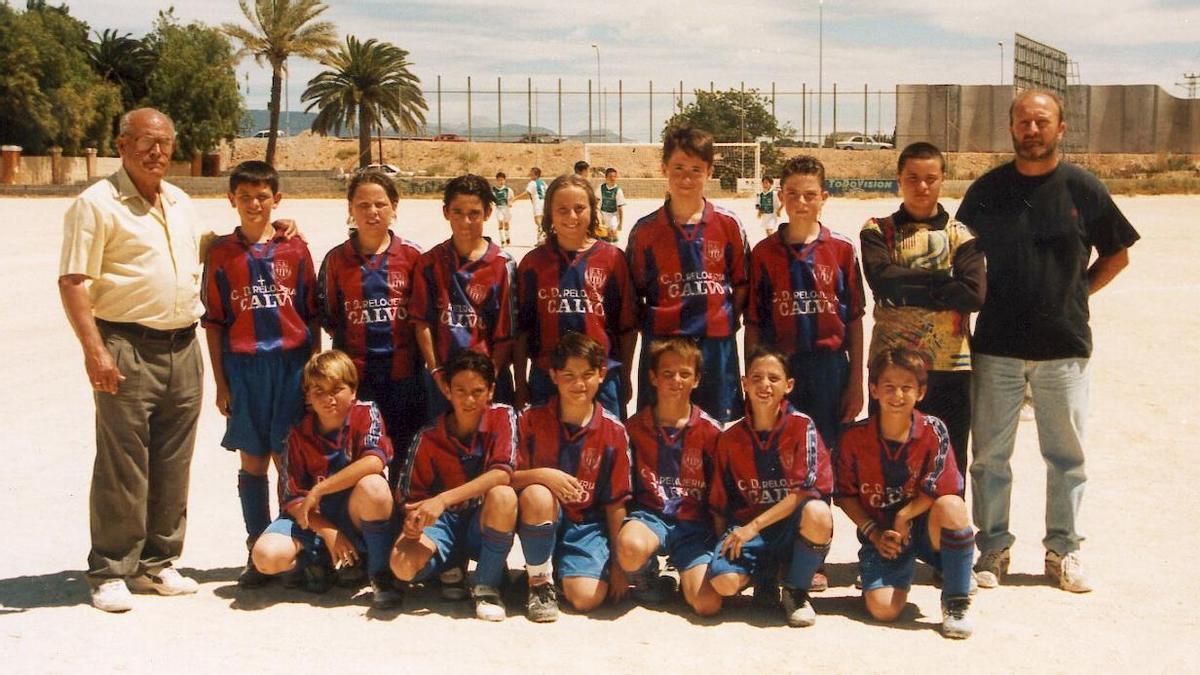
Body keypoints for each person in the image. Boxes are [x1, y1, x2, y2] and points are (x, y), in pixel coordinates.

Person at [58, 108, 252, 612]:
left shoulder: (180, 201)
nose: (157, 152)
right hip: (125, 344)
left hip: (182, 346)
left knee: (172, 459)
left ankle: (158, 561)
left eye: (164, 143)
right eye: (146, 142)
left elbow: (210, 250)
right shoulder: (96, 204)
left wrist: (268, 228)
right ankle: (110, 569)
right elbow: (74, 281)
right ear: (121, 145)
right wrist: (94, 351)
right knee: (123, 463)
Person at [957, 89, 1139, 593]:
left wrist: (1076, 294)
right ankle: (992, 549)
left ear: (1061, 128)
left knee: (1067, 457)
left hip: (1064, 346)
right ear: (1011, 128)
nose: (1031, 130)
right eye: (1023, 122)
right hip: (997, 345)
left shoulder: (1083, 187)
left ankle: (1064, 551)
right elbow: (960, 254)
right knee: (990, 456)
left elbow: (1117, 254)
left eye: (1042, 122)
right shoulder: (987, 190)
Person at [200, 160, 320, 588]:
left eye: (263, 197)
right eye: (245, 197)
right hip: (245, 368)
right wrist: (221, 382)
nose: (254, 204)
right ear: (231, 199)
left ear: (277, 200)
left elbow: (311, 314)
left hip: (290, 367)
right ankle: (256, 546)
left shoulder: (296, 248)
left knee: (291, 461)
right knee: (252, 461)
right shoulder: (220, 253)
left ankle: (297, 549)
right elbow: (214, 321)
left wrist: (314, 376)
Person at [860, 142, 985, 480]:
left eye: (930, 178)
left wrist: (908, 286)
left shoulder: (961, 235)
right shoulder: (878, 230)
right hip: (891, 365)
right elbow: (883, 281)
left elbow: (973, 294)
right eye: (912, 177)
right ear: (899, 178)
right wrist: (944, 281)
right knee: (889, 463)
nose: (922, 186)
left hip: (950, 368)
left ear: (943, 178)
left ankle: (943, 532)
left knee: (947, 464)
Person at [834, 348, 976, 639]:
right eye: (888, 387)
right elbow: (844, 495)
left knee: (953, 506)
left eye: (906, 387)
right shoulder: (854, 437)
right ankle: (881, 576)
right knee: (884, 611)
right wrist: (874, 533)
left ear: (921, 392)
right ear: (873, 389)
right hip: (883, 536)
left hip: (925, 528)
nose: (897, 395)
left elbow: (945, 485)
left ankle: (956, 601)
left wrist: (905, 514)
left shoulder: (933, 429)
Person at [250, 350, 399, 608]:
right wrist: (329, 532)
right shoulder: (298, 434)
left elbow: (375, 460)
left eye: (337, 389)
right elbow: (293, 498)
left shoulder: (365, 413)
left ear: (353, 391)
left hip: (353, 512)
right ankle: (317, 563)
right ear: (308, 397)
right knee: (265, 557)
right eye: (318, 391)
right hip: (314, 518)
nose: (329, 399)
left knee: (374, 485)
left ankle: (379, 574)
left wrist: (320, 489)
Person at [626, 122, 750, 424]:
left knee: (715, 429)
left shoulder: (728, 224)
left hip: (715, 345)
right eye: (679, 167)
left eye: (696, 169)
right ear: (663, 168)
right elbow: (635, 293)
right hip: (664, 345)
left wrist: (723, 319)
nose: (686, 177)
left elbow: (742, 282)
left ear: (709, 172)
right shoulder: (645, 231)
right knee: (661, 428)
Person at [707, 347, 833, 627]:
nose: (765, 385)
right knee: (724, 583)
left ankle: (795, 591)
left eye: (774, 378)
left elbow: (802, 492)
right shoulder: (730, 438)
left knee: (818, 512)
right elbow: (719, 502)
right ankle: (764, 575)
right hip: (750, 531)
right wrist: (726, 542)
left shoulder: (803, 427)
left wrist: (755, 526)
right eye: (757, 377)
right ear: (744, 383)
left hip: (789, 528)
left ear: (788, 385)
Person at [745, 155, 865, 450]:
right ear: (780, 197)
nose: (801, 202)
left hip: (830, 369)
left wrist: (855, 382)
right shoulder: (763, 254)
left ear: (824, 198)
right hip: (780, 368)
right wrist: (752, 379)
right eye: (792, 194)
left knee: (827, 455)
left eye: (810, 195)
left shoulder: (842, 250)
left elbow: (855, 320)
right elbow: (753, 324)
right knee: (781, 451)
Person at [511, 332, 633, 621]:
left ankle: (559, 573)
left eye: (588, 374)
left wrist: (617, 565)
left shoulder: (614, 431)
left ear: (602, 374)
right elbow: (503, 477)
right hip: (540, 513)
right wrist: (544, 475)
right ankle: (538, 583)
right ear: (552, 375)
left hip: (586, 526)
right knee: (538, 492)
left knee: (587, 599)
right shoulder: (530, 418)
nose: (579, 384)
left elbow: (616, 503)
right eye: (568, 375)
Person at [390, 350, 519, 621]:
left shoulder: (502, 417)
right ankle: (449, 567)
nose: (469, 399)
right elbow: (409, 496)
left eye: (477, 390)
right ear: (447, 390)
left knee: (504, 496)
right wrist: (413, 525)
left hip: (479, 520)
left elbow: (502, 473)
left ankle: (486, 584)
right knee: (401, 565)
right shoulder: (428, 436)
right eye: (460, 390)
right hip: (443, 525)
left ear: (491, 391)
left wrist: (444, 499)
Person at [317, 171, 426, 492]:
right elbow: (330, 316)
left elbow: (423, 316)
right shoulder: (336, 260)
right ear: (350, 208)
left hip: (405, 379)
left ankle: (399, 534)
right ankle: (367, 537)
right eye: (363, 204)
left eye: (380, 204)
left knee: (405, 461)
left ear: (394, 207)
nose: (372, 211)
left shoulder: (414, 256)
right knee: (361, 462)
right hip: (357, 382)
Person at [513, 174, 636, 419]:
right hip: (547, 377)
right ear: (549, 213)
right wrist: (520, 383)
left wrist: (624, 377)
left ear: (593, 210)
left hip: (601, 378)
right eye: (562, 209)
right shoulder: (532, 263)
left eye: (579, 208)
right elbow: (522, 331)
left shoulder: (612, 260)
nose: (571, 217)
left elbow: (627, 327)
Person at [616, 338, 723, 615]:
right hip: (652, 519)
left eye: (685, 374)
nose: (676, 380)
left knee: (707, 604)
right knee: (629, 547)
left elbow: (722, 494)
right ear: (652, 377)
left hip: (695, 528)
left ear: (697, 380)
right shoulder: (633, 428)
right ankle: (647, 575)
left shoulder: (712, 432)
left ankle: (687, 574)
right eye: (667, 373)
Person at [410, 174, 516, 416]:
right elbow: (422, 322)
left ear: (488, 213)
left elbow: (506, 333)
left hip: (488, 382)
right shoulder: (430, 263)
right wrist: (436, 371)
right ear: (445, 212)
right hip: (443, 380)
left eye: (474, 213)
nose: (465, 221)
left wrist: (488, 379)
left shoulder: (503, 265)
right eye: (457, 212)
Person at [512, 166, 547, 242]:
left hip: (537, 202)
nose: (530, 175)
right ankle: (540, 238)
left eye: (531, 174)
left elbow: (526, 192)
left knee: (537, 219)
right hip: (544, 202)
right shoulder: (543, 182)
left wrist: (515, 198)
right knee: (540, 219)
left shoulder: (532, 183)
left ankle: (543, 233)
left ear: (536, 175)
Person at [597, 167, 626, 242]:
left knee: (613, 235)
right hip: (602, 213)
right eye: (610, 177)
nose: (613, 179)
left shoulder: (618, 191)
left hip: (613, 215)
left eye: (614, 177)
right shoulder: (601, 188)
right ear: (606, 178)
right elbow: (596, 203)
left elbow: (620, 209)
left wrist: (620, 223)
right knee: (602, 235)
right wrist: (598, 216)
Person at [492, 172, 515, 246]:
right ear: (497, 180)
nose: (501, 182)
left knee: (506, 223)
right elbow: (491, 199)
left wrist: (511, 203)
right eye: (499, 180)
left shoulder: (508, 190)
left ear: (504, 180)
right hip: (499, 208)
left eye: (502, 180)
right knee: (500, 222)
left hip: (506, 208)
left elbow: (512, 198)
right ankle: (502, 240)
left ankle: (508, 239)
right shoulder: (494, 190)